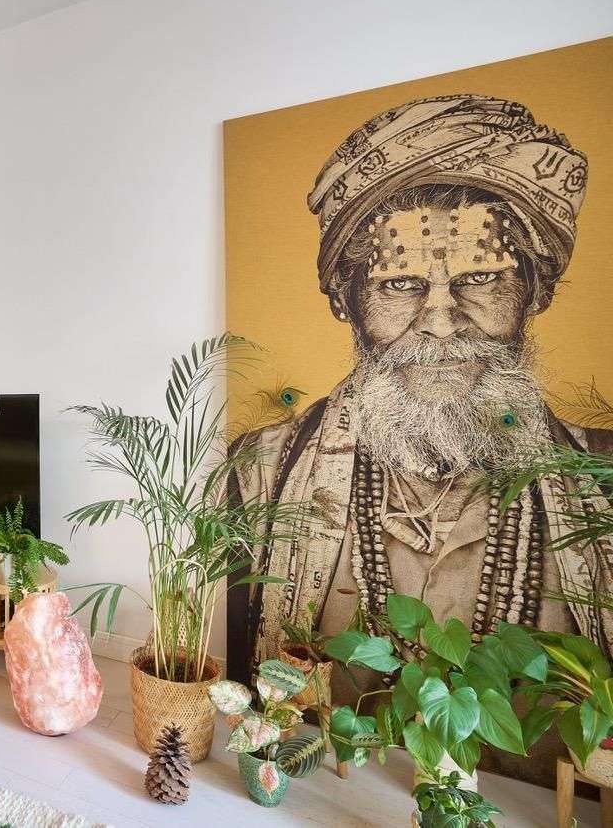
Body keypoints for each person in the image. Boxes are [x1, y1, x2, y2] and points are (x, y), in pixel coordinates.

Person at [227, 96, 611, 733]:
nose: (441, 321)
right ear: (346, 301)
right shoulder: (257, 474)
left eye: (480, 278)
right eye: (401, 284)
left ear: (536, 290)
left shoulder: (601, 480)